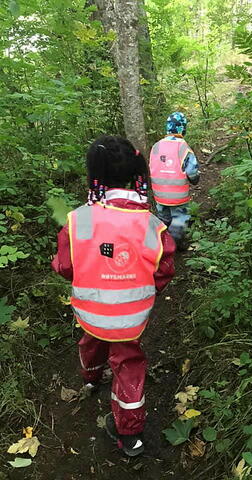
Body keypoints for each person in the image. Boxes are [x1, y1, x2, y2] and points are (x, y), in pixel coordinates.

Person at [51, 136, 175, 457]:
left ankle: (91, 378)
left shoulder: (78, 220)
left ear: (94, 173)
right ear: (136, 170)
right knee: (128, 362)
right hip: (130, 319)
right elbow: (163, 271)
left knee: (91, 339)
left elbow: (65, 267)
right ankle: (130, 436)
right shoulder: (151, 225)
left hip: (90, 311)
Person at [149, 112, 200, 250]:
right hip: (178, 195)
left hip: (159, 193)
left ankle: (161, 243)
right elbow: (192, 170)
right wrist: (195, 179)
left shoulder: (156, 146)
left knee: (163, 218)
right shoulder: (183, 146)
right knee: (179, 219)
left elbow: (152, 167)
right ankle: (175, 245)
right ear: (183, 128)